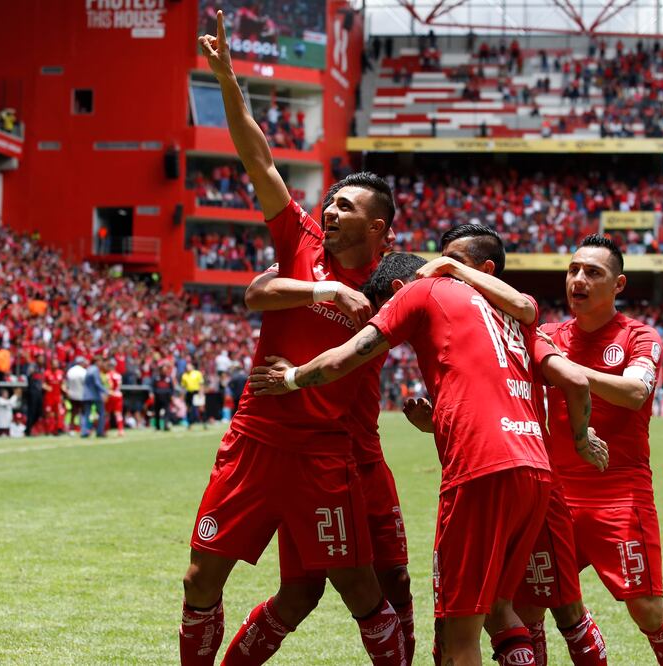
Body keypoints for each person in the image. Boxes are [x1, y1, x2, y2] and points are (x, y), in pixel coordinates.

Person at [249, 251, 604, 666]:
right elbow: (569, 373)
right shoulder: (501, 307)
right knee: (499, 609)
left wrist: (290, 378)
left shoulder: (417, 292)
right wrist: (581, 441)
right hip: (535, 467)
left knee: (459, 638)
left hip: (480, 469)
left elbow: (345, 357)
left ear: (396, 291)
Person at [182, 12, 406, 666]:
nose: (331, 212)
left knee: (361, 595)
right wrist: (228, 79)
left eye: (347, 209)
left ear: (381, 228)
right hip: (253, 436)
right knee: (200, 579)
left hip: (323, 453)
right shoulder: (300, 241)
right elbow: (255, 150)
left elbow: (450, 287)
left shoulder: (394, 276)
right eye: (330, 204)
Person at [405, 225, 611, 665]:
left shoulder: (519, 322)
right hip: (528, 480)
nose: (443, 273)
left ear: (486, 270)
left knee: (493, 611)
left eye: (454, 263)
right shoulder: (502, 324)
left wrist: (580, 437)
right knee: (512, 611)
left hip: (497, 481)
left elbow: (571, 377)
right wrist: (436, 422)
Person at [228, 214, 415, 663]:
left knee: (396, 581)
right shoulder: (306, 272)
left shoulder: (395, 282)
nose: (390, 236)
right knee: (300, 591)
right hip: (316, 459)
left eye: (389, 228)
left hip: (365, 460)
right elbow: (255, 293)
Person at [528, 234, 663, 665]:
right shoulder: (547, 334)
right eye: (573, 270)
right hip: (555, 495)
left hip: (618, 493)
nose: (578, 280)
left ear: (618, 284)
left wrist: (566, 369)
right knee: (530, 605)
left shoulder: (640, 336)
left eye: (592, 273)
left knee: (646, 609)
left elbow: (636, 392)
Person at [82, 356, 108, 438]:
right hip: (95, 395)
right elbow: (97, 383)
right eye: (100, 361)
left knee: (86, 414)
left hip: (86, 395)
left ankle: (84, 432)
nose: (101, 364)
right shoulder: (95, 370)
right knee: (101, 413)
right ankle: (100, 431)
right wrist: (106, 391)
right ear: (96, 362)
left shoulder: (88, 369)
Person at [64, 357, 87, 435]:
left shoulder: (70, 371)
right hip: (81, 395)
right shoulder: (83, 371)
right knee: (83, 413)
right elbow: (85, 383)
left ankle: (71, 429)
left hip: (72, 394)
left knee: (73, 412)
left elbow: (67, 384)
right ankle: (83, 429)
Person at [180, 361, 205, 430]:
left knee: (200, 408)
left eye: (189, 366)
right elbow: (183, 387)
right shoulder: (184, 375)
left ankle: (204, 423)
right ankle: (190, 424)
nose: (188, 368)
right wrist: (182, 395)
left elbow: (201, 383)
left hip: (197, 392)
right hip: (189, 393)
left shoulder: (197, 373)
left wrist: (201, 392)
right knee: (189, 409)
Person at [44, 358, 66, 436]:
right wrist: (47, 387)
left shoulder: (60, 373)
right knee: (50, 414)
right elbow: (43, 383)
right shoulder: (47, 373)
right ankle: (50, 430)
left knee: (59, 413)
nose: (56, 365)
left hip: (57, 396)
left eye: (57, 364)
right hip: (49, 397)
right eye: (54, 364)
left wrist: (64, 390)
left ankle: (58, 429)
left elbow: (62, 383)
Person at [105, 359, 125, 436]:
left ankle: (105, 430)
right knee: (118, 414)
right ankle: (121, 430)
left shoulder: (107, 375)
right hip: (118, 394)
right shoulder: (118, 375)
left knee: (107, 414)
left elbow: (109, 386)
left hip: (110, 394)